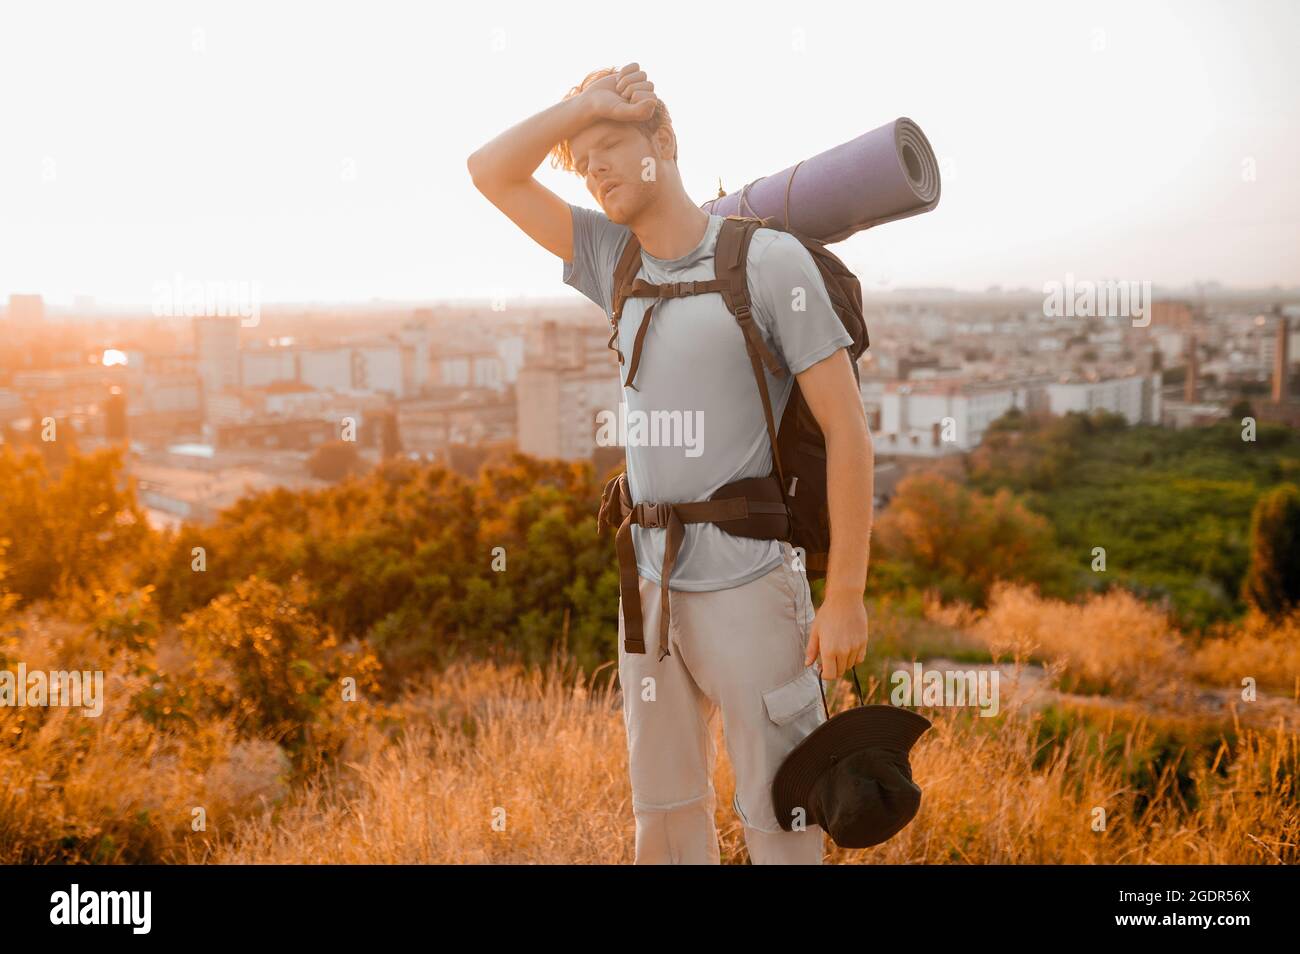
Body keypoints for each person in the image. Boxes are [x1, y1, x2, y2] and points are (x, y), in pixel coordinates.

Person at [467, 62, 874, 864]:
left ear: (666, 141)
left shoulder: (768, 262)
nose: (599, 170)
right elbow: (489, 171)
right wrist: (583, 107)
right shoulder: (608, 256)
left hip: (751, 585)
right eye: (585, 162)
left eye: (612, 145)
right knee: (663, 816)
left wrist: (847, 598)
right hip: (645, 589)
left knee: (782, 817)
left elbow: (849, 431)